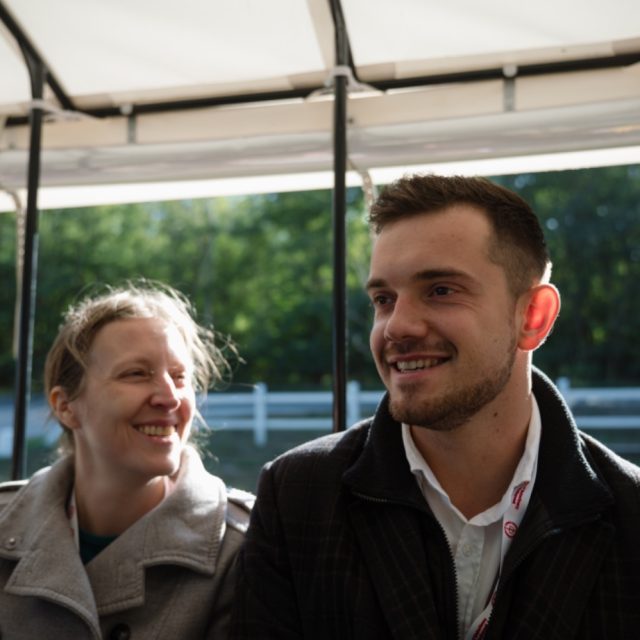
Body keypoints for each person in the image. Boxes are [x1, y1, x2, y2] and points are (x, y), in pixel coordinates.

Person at [233, 174, 640, 639]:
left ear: (533, 316)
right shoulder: (298, 496)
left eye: (441, 290)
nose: (396, 327)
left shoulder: (631, 514)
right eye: (383, 299)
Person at [0, 281, 251, 639]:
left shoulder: (243, 548)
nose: (170, 397)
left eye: (180, 377)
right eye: (136, 374)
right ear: (65, 406)